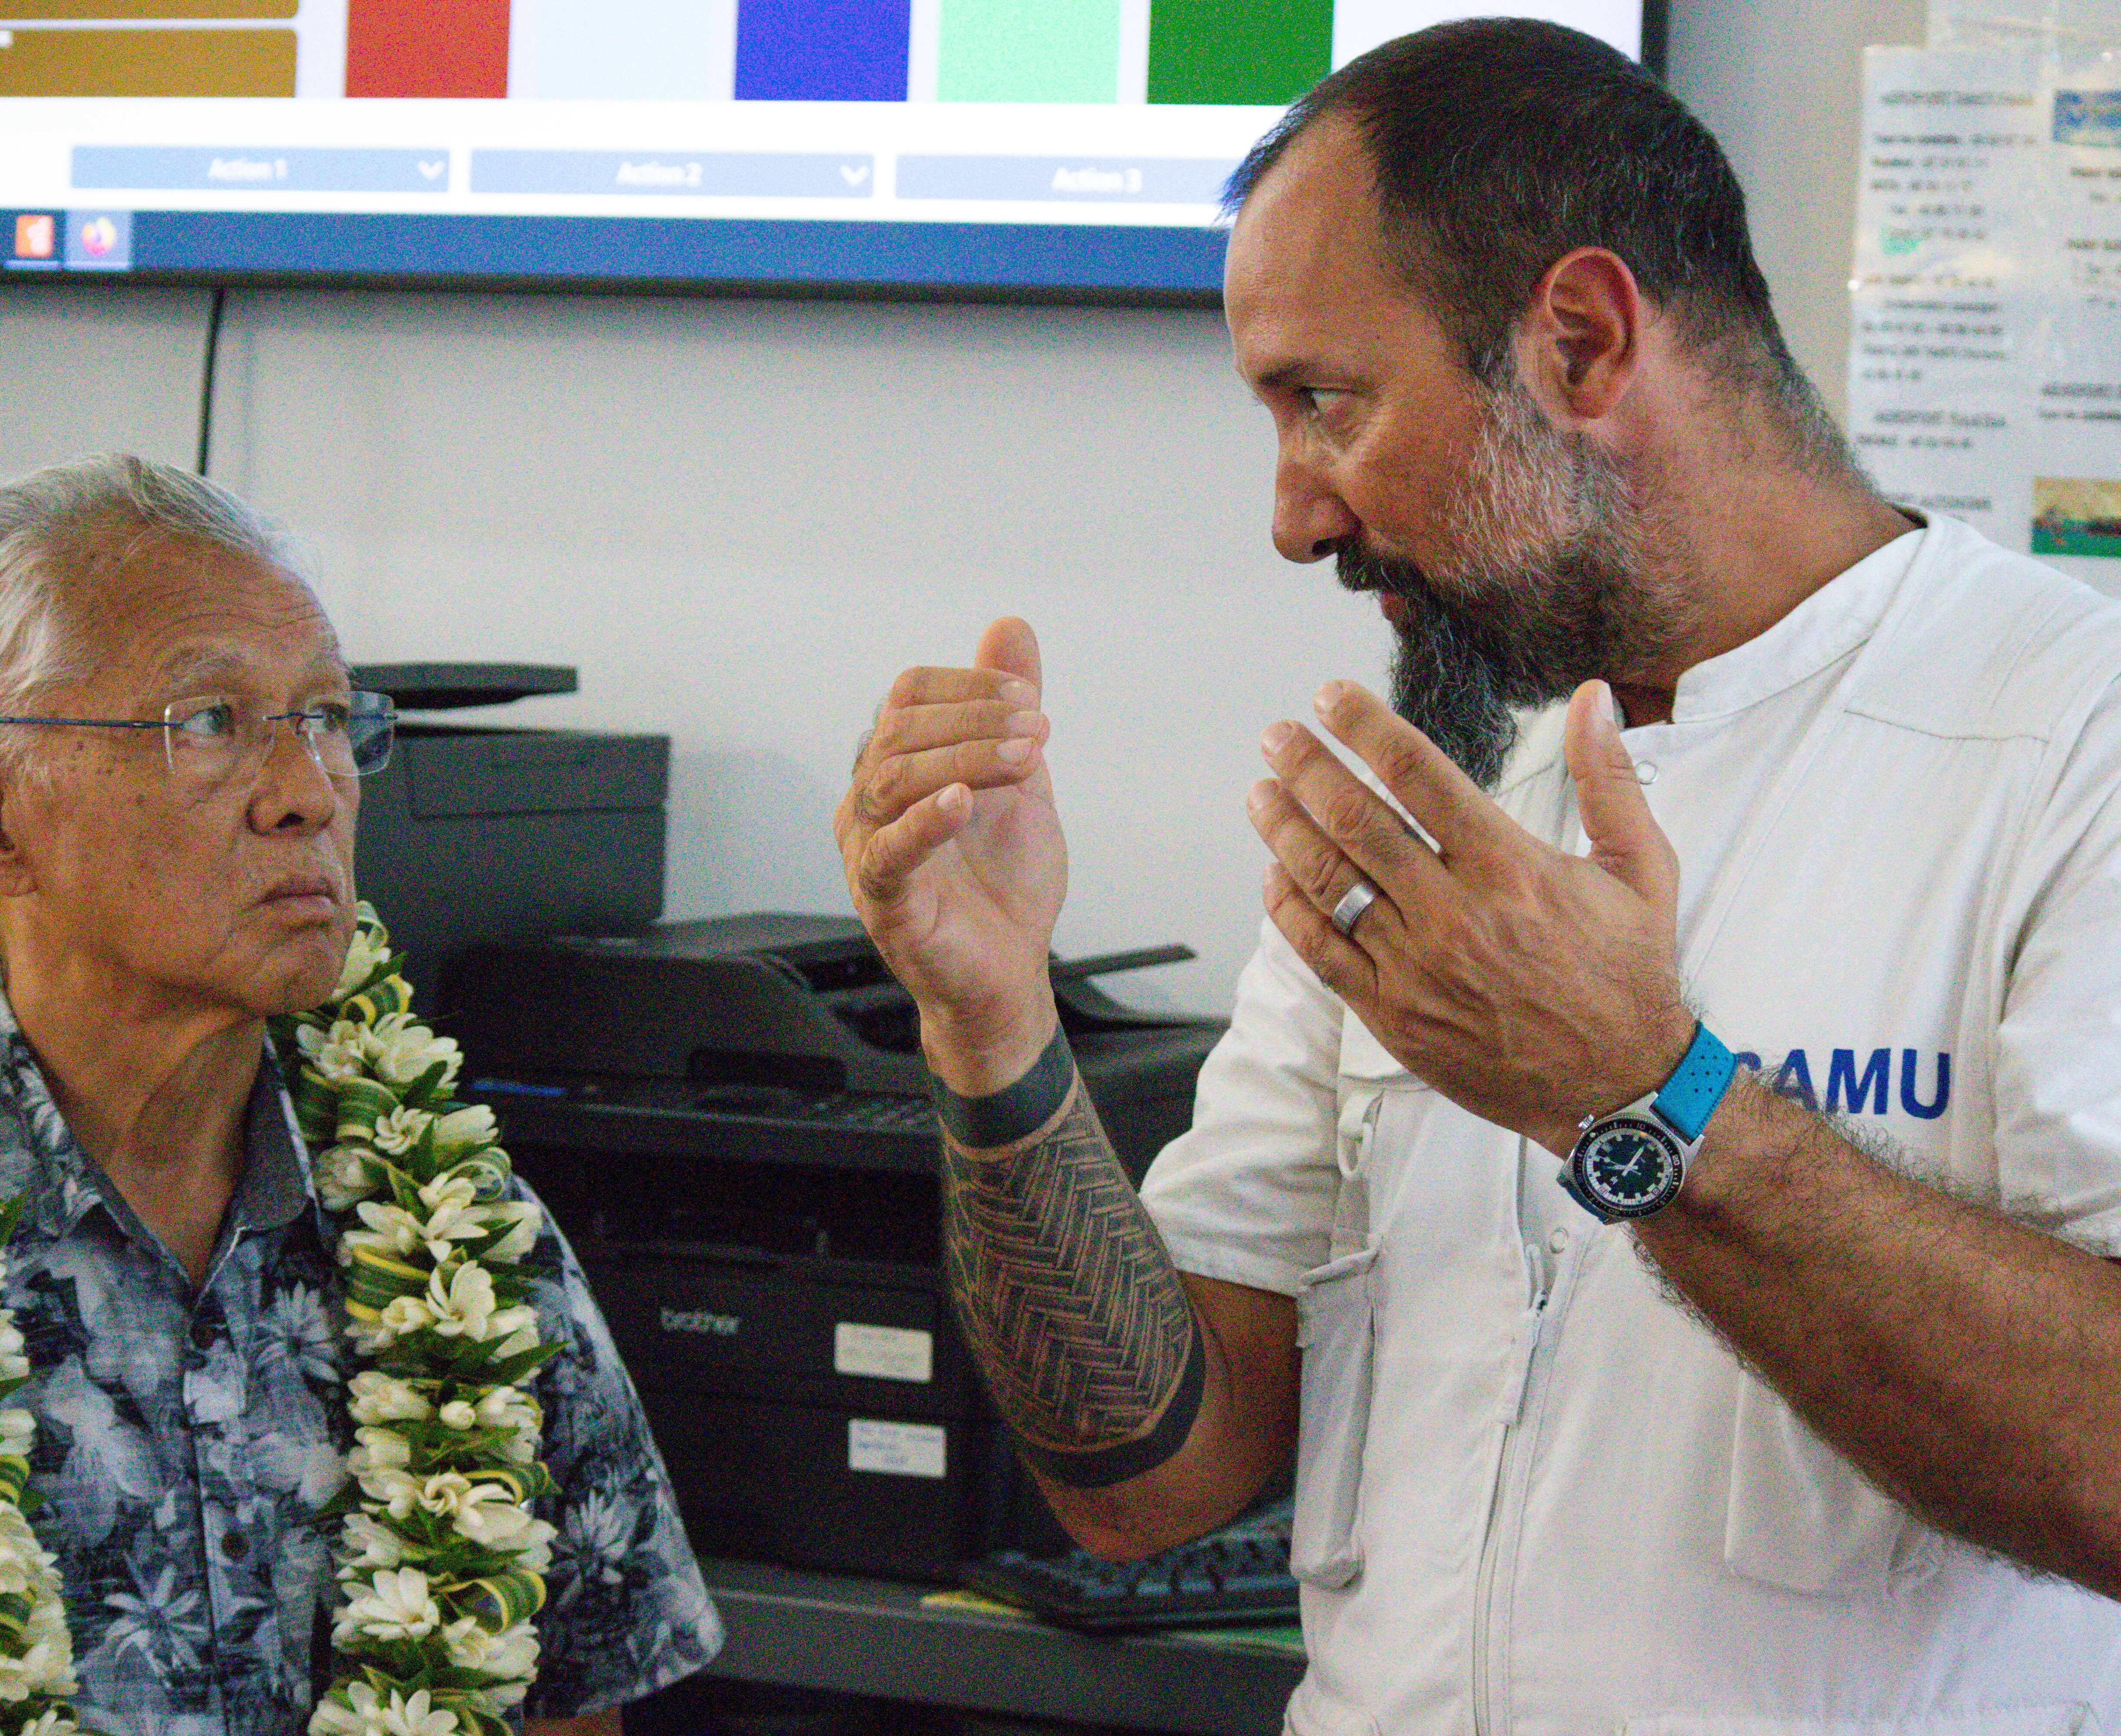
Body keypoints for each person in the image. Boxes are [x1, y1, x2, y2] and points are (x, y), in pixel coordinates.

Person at [837, 19, 2121, 1733]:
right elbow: (1143, 1481)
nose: (1293, 515)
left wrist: (1641, 1098)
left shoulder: (2064, 742)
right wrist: (988, 1029)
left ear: (1580, 341)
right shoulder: (1428, 793)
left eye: (1324, 402)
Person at [0, 455, 720, 1736]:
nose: (308, 793)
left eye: (331, 720)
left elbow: (574, 1700)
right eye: (210, 724)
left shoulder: (463, 1232)